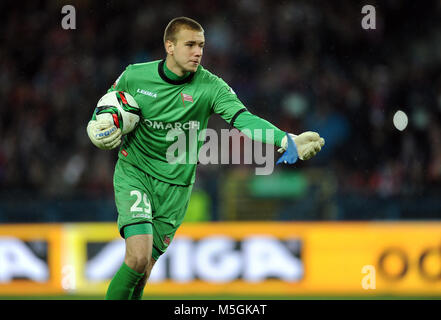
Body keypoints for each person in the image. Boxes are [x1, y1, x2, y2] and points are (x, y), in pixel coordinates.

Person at [86, 16, 325, 300]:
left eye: (201, 45)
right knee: (137, 258)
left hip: (176, 188)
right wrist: (95, 124)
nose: (198, 52)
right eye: (190, 45)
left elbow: (244, 120)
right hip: (136, 173)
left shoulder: (211, 87)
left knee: (144, 271)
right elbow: (106, 108)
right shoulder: (134, 76)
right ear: (170, 46)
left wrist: (286, 139)